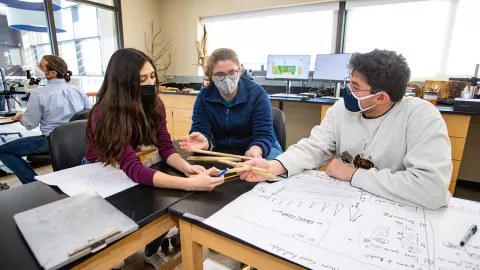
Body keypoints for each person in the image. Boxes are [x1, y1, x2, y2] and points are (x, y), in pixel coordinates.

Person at [238, 49, 452, 210]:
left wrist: (353, 174)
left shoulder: (421, 116)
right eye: (349, 83)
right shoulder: (341, 109)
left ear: (381, 97)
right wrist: (272, 166)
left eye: (355, 87)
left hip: (396, 209)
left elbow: (432, 189)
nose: (347, 91)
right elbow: (314, 148)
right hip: (348, 204)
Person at [84, 48, 224, 268]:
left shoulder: (154, 104)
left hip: (126, 169)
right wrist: (190, 184)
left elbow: (166, 148)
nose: (150, 83)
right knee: (113, 250)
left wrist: (189, 169)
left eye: (152, 77)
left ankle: (149, 245)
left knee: (163, 199)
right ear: (123, 82)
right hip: (99, 172)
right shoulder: (104, 114)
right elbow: (135, 170)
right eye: (142, 79)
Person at [0, 55, 91, 185]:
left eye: (40, 67)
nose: (37, 69)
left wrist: (21, 117)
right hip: (80, 139)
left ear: (52, 73)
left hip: (50, 141)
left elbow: (30, 125)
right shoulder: (78, 90)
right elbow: (88, 114)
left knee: (3, 150)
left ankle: (34, 183)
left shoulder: (39, 93)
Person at [179, 48, 283, 159]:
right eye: (220, 74)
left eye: (232, 72)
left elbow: (263, 135)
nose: (227, 79)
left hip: (262, 149)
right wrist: (204, 141)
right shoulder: (204, 96)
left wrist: (255, 150)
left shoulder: (257, 94)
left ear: (240, 71)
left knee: (258, 172)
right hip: (225, 151)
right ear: (212, 75)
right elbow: (201, 129)